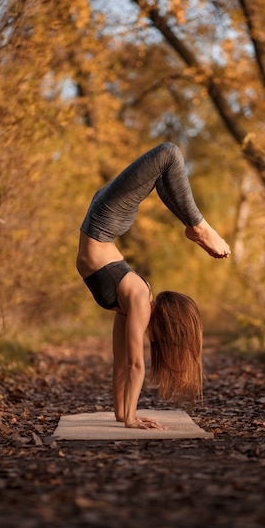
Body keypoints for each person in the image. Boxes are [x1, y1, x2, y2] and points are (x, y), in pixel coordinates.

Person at [77, 142, 230, 430]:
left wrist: (124, 415)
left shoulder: (130, 304)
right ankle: (198, 227)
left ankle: (193, 226)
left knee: (163, 173)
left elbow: (121, 363)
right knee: (169, 154)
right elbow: (137, 366)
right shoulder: (138, 299)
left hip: (102, 221)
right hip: (104, 221)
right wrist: (133, 420)